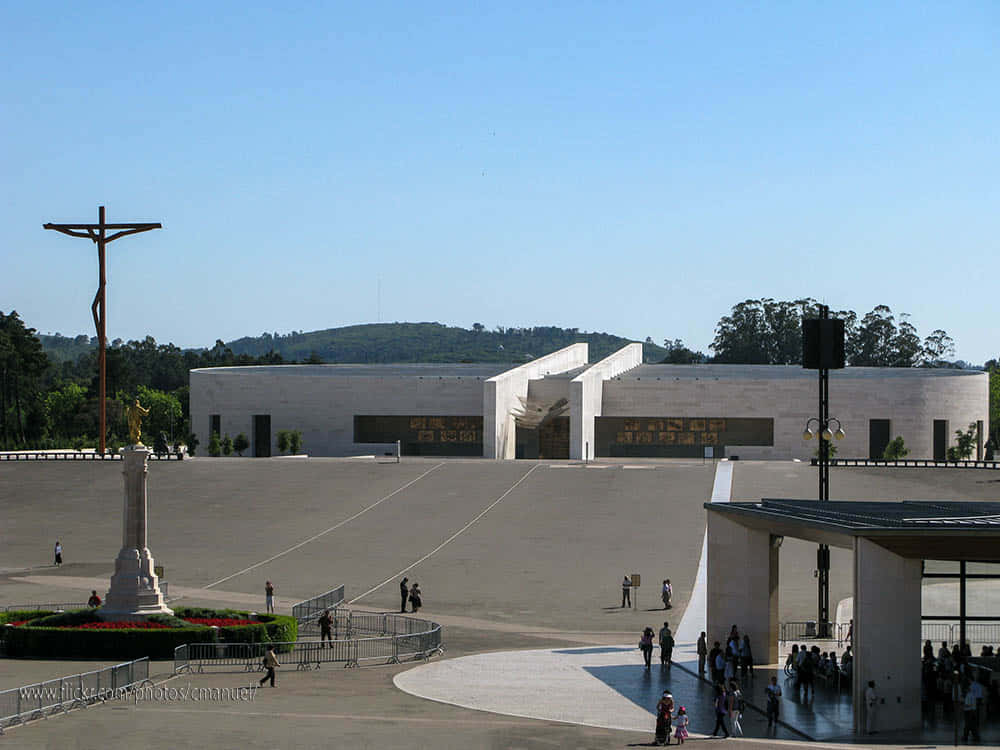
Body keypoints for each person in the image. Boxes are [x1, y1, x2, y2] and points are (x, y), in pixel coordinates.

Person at [962, 676, 983, 742]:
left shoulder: (969, 695)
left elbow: (968, 704)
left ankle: (967, 737)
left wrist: (963, 706)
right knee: (971, 725)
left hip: (969, 711)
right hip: (973, 710)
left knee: (969, 725)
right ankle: (972, 737)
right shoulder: (973, 694)